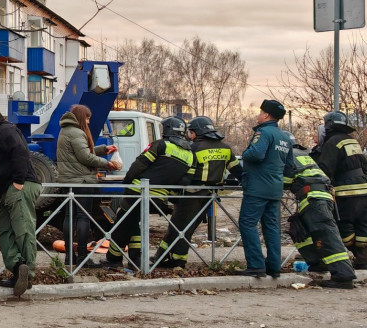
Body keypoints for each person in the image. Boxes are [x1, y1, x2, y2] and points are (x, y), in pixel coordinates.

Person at [103, 117, 193, 270]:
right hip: (158, 199)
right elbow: (184, 181)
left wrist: (127, 183)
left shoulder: (161, 145)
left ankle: (114, 259)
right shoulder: (190, 155)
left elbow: (139, 164)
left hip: (138, 193)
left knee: (122, 224)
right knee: (133, 224)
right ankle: (136, 260)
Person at [155, 116, 241, 269]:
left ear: (196, 132)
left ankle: (178, 260)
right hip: (210, 195)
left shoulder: (194, 148)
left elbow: (184, 173)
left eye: (191, 133)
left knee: (180, 227)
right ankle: (161, 256)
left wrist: (173, 195)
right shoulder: (226, 148)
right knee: (188, 226)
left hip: (191, 194)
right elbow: (237, 171)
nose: (189, 136)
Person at [0, 105, 41, 297]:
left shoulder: (6, 131)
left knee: (23, 229)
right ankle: (17, 268)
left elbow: (20, 152)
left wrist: (19, 183)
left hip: (20, 186)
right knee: (5, 231)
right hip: (7, 190)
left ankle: (28, 273)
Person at [55, 104, 120, 266]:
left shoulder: (66, 130)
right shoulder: (77, 132)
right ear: (80, 117)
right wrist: (107, 164)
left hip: (68, 181)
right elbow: (85, 157)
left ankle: (70, 257)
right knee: (83, 218)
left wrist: (104, 149)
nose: (89, 122)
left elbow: (81, 153)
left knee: (69, 217)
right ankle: (83, 257)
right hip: (82, 181)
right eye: (87, 118)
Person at [238, 99, 294, 278]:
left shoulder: (263, 132)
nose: (258, 114)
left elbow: (255, 154)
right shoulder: (285, 137)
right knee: (272, 227)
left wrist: (244, 154)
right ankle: (274, 266)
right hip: (275, 189)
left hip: (257, 188)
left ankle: (256, 265)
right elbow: (289, 166)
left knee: (247, 223)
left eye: (260, 112)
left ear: (267, 115)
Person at [285, 148, 356, 288]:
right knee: (299, 231)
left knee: (326, 235)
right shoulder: (301, 154)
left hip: (314, 198)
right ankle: (318, 263)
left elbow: (285, 180)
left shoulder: (286, 155)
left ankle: (344, 275)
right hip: (319, 197)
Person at [312, 111, 367, 270]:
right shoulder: (351, 141)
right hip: (365, 189)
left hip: (347, 191)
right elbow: (365, 167)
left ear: (329, 125)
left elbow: (325, 169)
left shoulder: (332, 142)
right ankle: (365, 260)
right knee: (364, 223)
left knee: (343, 223)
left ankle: (350, 254)